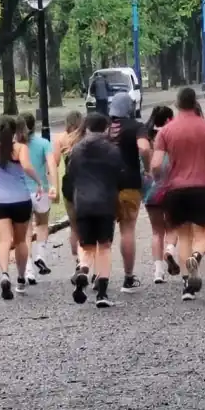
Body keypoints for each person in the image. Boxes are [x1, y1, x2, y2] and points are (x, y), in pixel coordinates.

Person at [151, 87, 205, 301]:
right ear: (194, 103)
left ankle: (187, 286)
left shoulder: (165, 131)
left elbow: (156, 163)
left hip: (175, 189)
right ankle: (196, 256)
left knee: (183, 236)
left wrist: (161, 177)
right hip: (203, 188)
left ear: (177, 103)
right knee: (202, 236)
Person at [0, 116, 44, 300]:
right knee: (21, 241)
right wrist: (39, 182)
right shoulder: (20, 149)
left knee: (3, 241)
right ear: (15, 130)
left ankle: (4, 274)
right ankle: (21, 278)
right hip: (20, 200)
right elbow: (26, 166)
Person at [68, 113, 125, 308]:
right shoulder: (112, 150)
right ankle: (102, 292)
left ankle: (83, 270)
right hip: (105, 202)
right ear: (105, 128)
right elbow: (119, 175)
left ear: (87, 127)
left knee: (87, 246)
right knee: (105, 246)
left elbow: (71, 175)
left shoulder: (76, 149)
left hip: (83, 202)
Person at [107, 92, 151, 293]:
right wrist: (148, 167)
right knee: (127, 230)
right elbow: (143, 148)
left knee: (104, 233)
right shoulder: (136, 127)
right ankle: (128, 277)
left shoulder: (106, 128)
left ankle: (99, 275)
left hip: (106, 185)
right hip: (130, 183)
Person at [20, 113, 58, 285]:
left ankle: (28, 270)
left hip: (21, 192)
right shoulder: (44, 143)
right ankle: (40, 255)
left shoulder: (16, 145)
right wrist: (53, 186)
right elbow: (51, 165)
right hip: (40, 190)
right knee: (42, 224)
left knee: (25, 232)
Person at [144, 105, 175, 283]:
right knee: (172, 227)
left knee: (156, 231)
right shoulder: (171, 137)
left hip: (151, 190)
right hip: (171, 187)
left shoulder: (147, 138)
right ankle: (170, 250)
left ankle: (158, 271)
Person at [53, 111, 85, 272]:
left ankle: (77, 260)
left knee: (74, 226)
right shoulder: (85, 137)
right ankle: (89, 259)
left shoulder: (60, 138)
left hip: (69, 183)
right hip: (85, 183)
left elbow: (55, 162)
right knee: (88, 224)